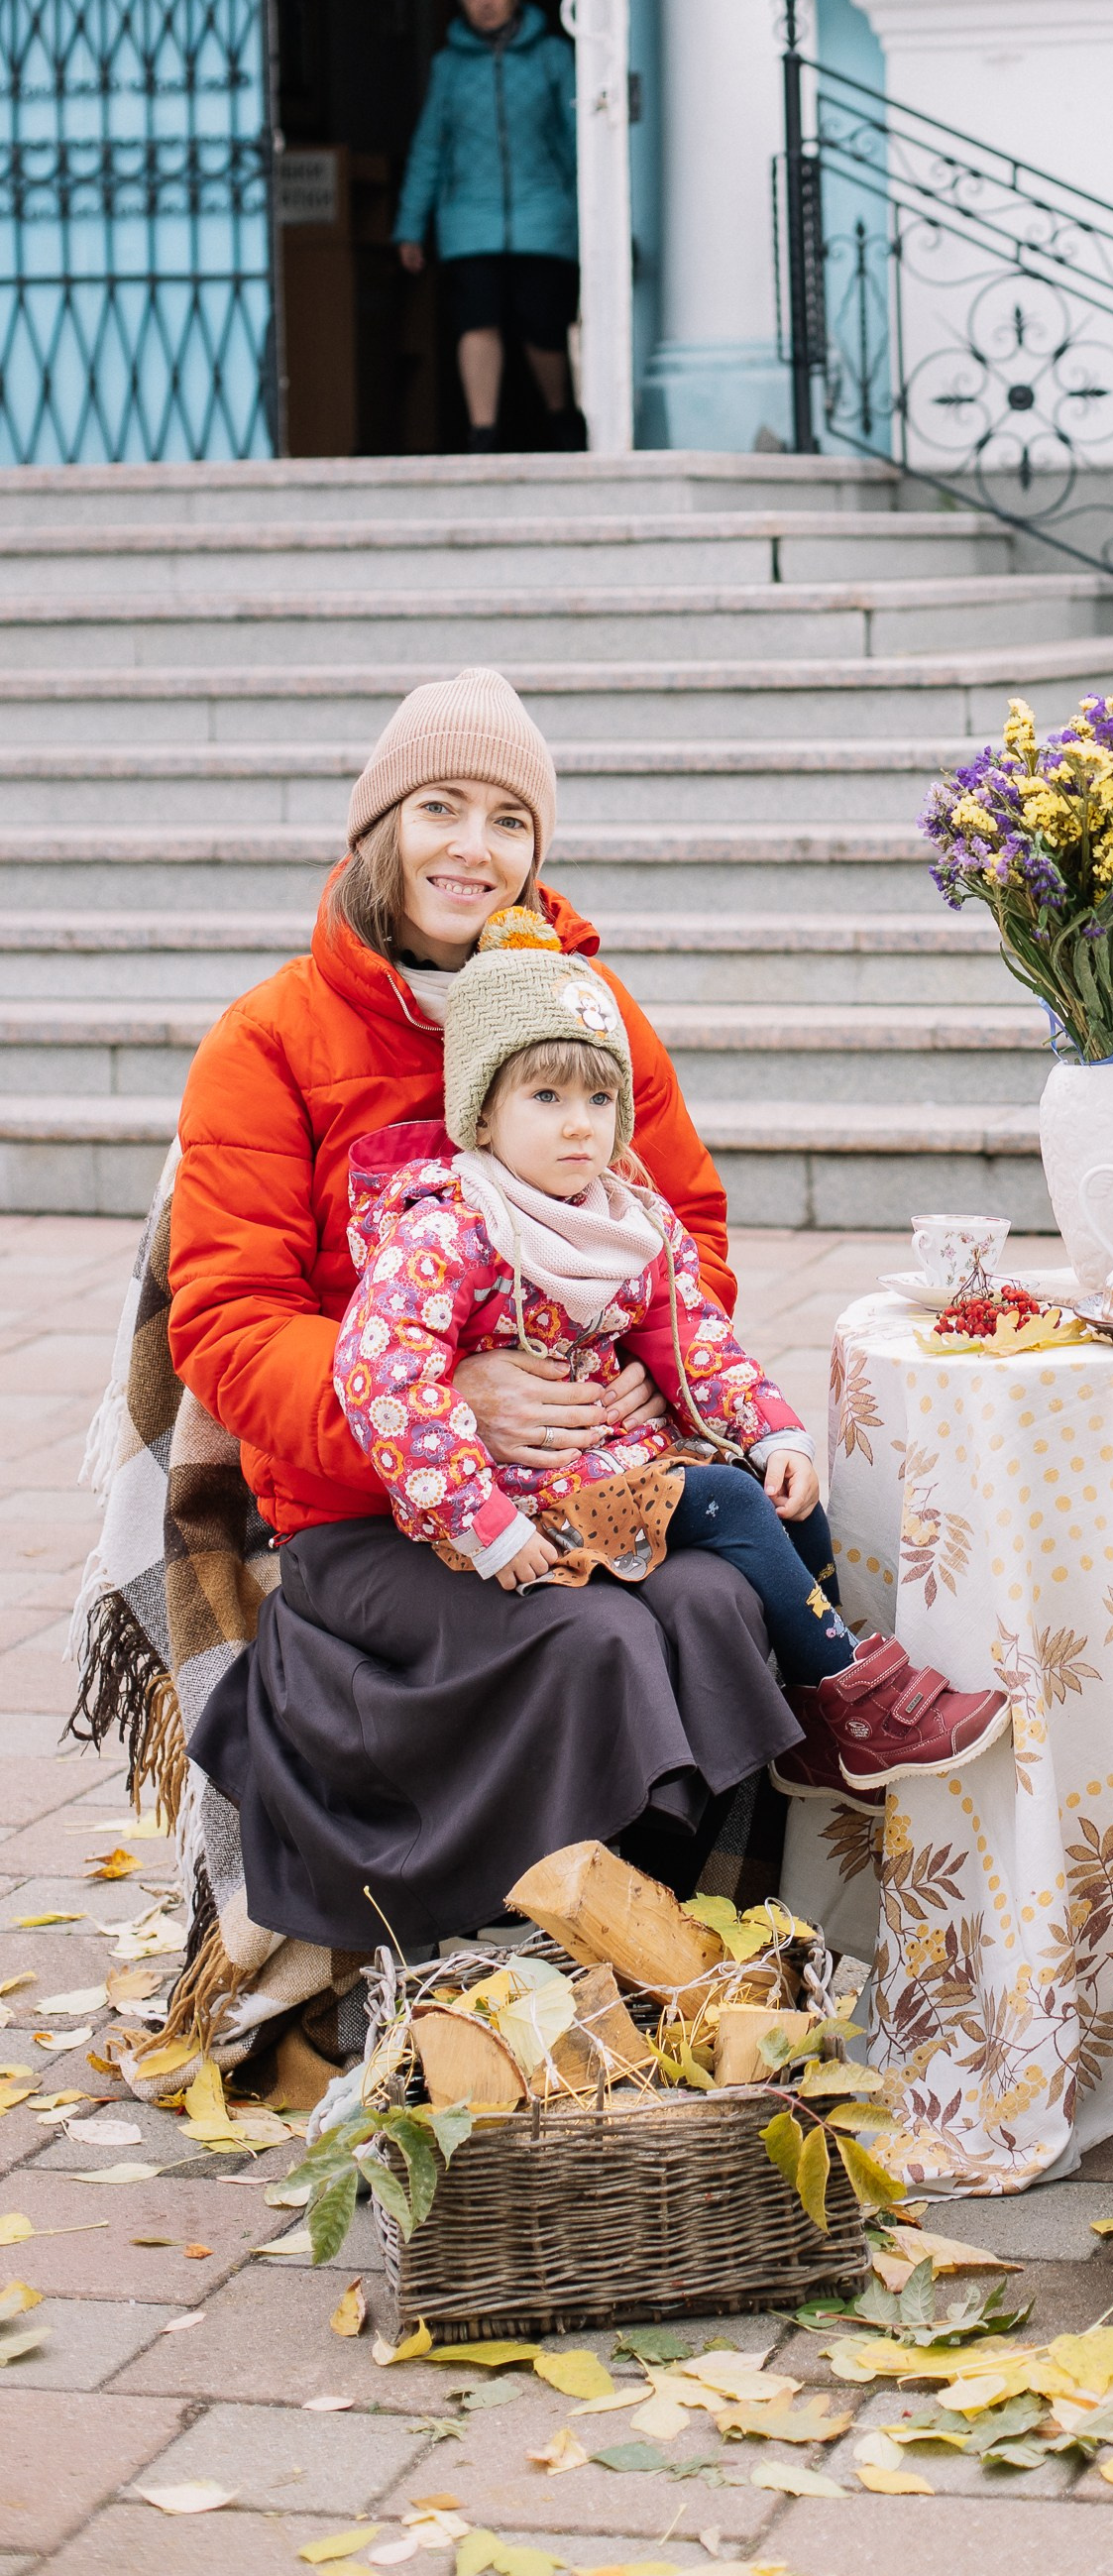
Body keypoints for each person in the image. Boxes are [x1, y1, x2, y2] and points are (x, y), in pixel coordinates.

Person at [175, 669, 803, 1953]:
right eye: (439, 808)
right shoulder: (272, 1041)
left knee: (708, 1605)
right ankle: (497, 1957)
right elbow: (231, 1320)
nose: (472, 848)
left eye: (508, 820)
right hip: (370, 1512)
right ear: (377, 830)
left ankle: (671, 1950)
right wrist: (445, 1410)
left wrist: (644, 1370)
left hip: (590, 1478)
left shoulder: (591, 1017)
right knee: (587, 1640)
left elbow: (684, 1237)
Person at [329, 914, 1009, 1807]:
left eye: (599, 1102)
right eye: (545, 1100)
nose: (580, 1129)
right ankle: (863, 1707)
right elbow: (385, 1378)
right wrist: (481, 1520)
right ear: (481, 1110)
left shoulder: (627, 1218)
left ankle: (816, 1723)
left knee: (780, 1502)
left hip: (605, 1466)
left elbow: (694, 1339)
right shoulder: (450, 1228)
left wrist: (771, 1435)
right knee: (723, 1498)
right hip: (514, 1498)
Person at [394, 0, 583, 453]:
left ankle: (561, 416)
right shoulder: (449, 67)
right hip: (468, 221)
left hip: (544, 217)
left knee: (543, 326)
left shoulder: (552, 56)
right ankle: (483, 432)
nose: (485, 1)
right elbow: (429, 148)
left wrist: (594, 216)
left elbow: (577, 138)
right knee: (477, 322)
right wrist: (411, 225)